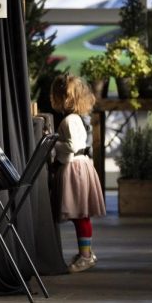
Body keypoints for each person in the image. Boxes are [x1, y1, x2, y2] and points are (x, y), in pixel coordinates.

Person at [49, 74, 106, 273]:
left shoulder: (70, 120)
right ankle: (86, 251)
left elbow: (72, 146)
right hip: (81, 166)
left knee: (80, 215)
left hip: (75, 168)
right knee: (80, 216)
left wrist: (52, 142)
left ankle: (86, 256)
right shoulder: (79, 118)